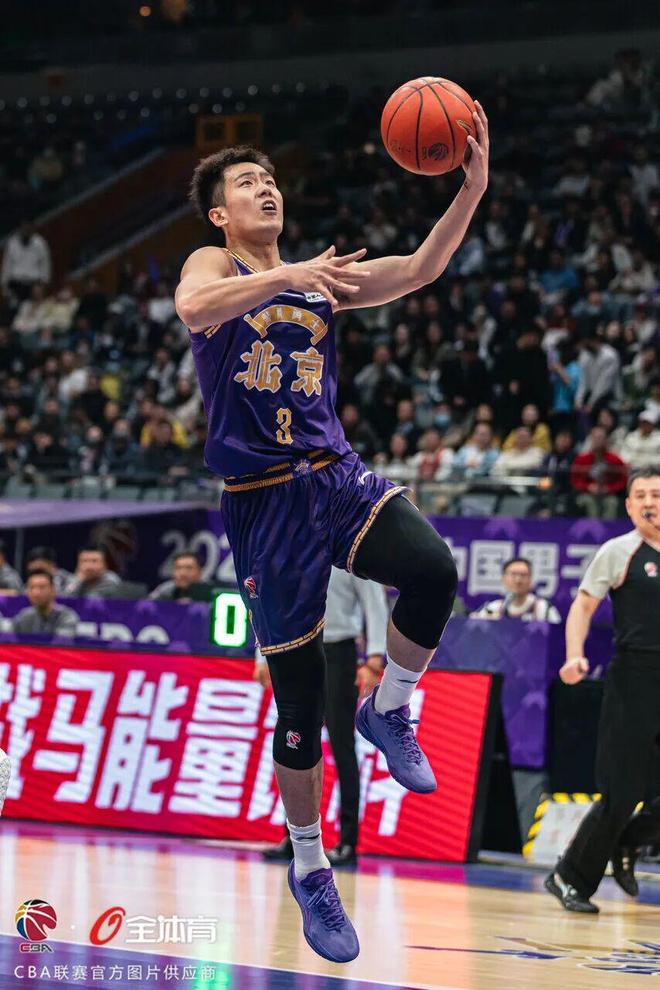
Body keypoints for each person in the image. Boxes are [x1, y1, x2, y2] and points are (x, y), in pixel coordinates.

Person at [175, 113, 488, 963]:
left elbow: (420, 268)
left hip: (335, 475)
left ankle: (389, 709)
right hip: (264, 502)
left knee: (432, 569)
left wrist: (471, 190)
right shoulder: (215, 264)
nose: (266, 187)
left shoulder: (320, 281)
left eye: (270, 177)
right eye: (247, 183)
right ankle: (311, 866)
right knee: (301, 709)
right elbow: (194, 307)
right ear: (220, 214)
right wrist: (290, 274)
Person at [546, 467, 660, 913]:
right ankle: (568, 876)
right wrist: (574, 654)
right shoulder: (619, 551)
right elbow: (583, 606)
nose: (649, 502)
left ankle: (629, 842)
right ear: (628, 506)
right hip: (634, 679)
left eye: (656, 494)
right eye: (640, 496)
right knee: (622, 791)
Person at [258, 567, 389, 867]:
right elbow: (270, 601)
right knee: (296, 744)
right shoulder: (291, 553)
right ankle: (295, 837)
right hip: (294, 649)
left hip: (338, 652)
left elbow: (374, 601)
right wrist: (261, 654)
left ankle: (348, 840)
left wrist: (374, 656)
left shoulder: (346, 551)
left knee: (342, 745)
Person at [470, 556, 561, 622]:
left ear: (530, 580)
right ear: (503, 579)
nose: (518, 580)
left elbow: (558, 634)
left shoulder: (544, 608)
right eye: (513, 575)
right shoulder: (493, 608)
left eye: (523, 575)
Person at [570, 425, 627, 518]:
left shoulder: (614, 459)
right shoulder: (581, 459)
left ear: (606, 440)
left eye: (600, 437)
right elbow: (575, 480)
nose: (598, 440)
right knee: (589, 502)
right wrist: (588, 487)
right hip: (587, 494)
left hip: (609, 494)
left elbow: (623, 480)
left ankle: (609, 527)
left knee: (612, 502)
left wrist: (609, 488)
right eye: (595, 437)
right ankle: (594, 526)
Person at [12, 569, 78, 637]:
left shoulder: (66, 617)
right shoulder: (23, 617)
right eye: (32, 587)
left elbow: (61, 641)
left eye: (42, 587)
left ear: (53, 590)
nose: (36, 593)